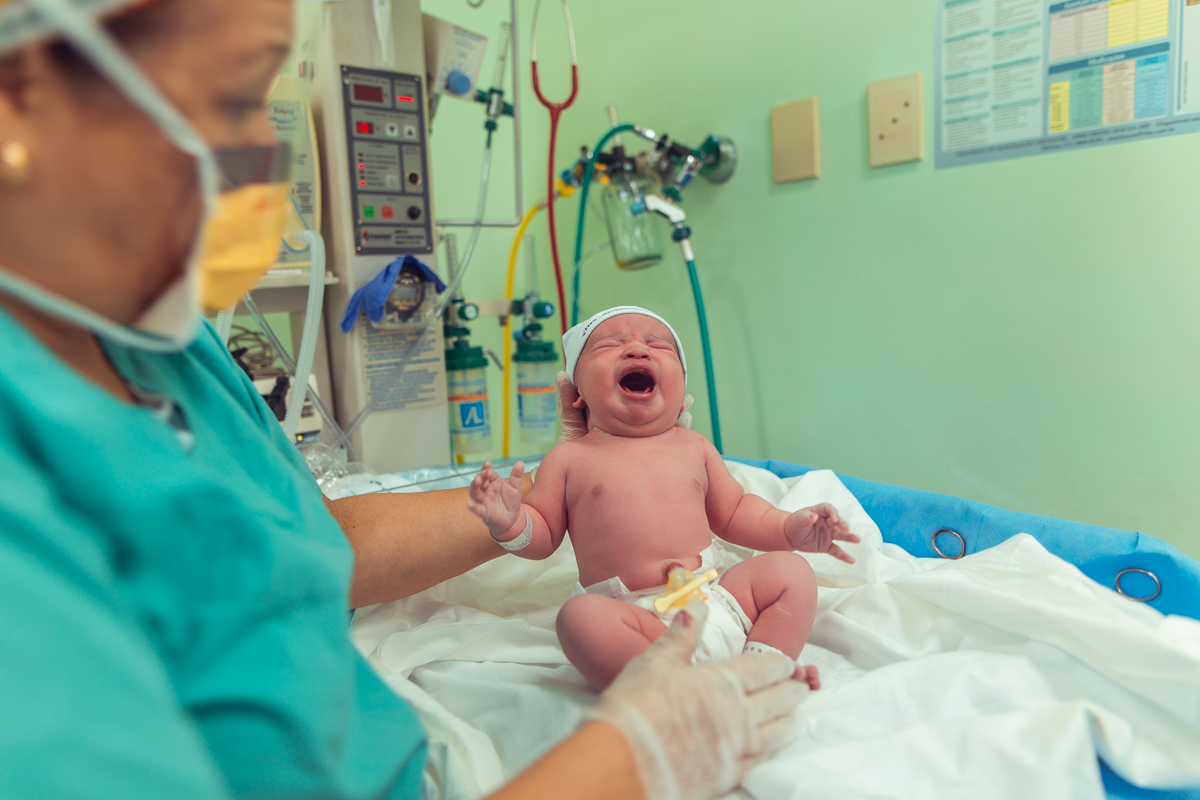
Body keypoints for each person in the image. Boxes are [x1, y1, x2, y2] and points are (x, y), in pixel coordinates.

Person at [0, 1, 807, 799]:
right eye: (238, 94)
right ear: (22, 92)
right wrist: (632, 760)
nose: (265, 152)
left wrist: (568, 486)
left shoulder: (170, 348)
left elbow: (312, 538)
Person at [468, 307, 860, 690]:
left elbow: (737, 511)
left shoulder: (694, 447)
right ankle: (674, 690)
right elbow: (544, 535)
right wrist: (511, 524)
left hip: (718, 601)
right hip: (639, 623)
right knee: (578, 619)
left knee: (792, 572)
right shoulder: (569, 458)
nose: (637, 349)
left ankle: (764, 668)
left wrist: (790, 529)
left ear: (682, 391)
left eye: (658, 345)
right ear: (577, 393)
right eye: (610, 344)